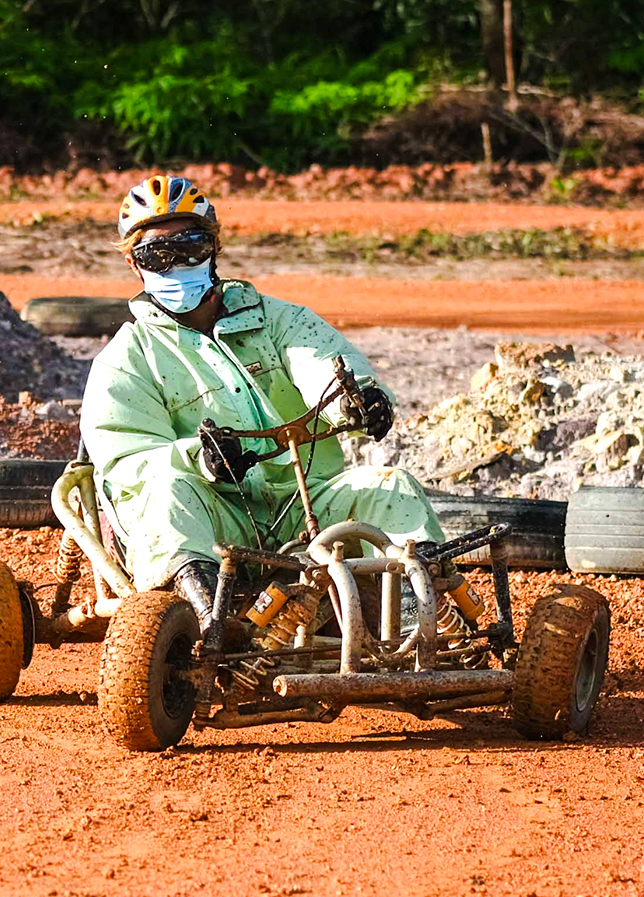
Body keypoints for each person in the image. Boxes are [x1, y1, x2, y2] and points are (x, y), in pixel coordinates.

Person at [79, 174, 448, 622]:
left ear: (213, 248)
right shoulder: (126, 358)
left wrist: (357, 401)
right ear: (136, 265)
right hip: (215, 517)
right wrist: (201, 458)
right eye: (158, 254)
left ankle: (423, 631)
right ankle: (209, 629)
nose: (176, 264)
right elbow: (125, 465)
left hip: (306, 504)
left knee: (392, 486)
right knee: (166, 497)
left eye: (190, 246)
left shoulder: (278, 319)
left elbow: (322, 363)